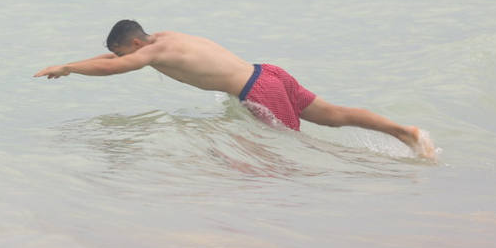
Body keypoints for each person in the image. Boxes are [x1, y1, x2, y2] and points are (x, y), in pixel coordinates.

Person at [34, 20, 436, 159]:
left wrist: (68, 69)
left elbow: (114, 69)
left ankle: (368, 169)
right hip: (267, 72)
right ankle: (406, 133)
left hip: (258, 92)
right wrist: (69, 64)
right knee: (333, 116)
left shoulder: (149, 54)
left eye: (123, 53)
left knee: (293, 149)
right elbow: (113, 60)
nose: (121, 58)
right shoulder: (167, 37)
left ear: (135, 45)